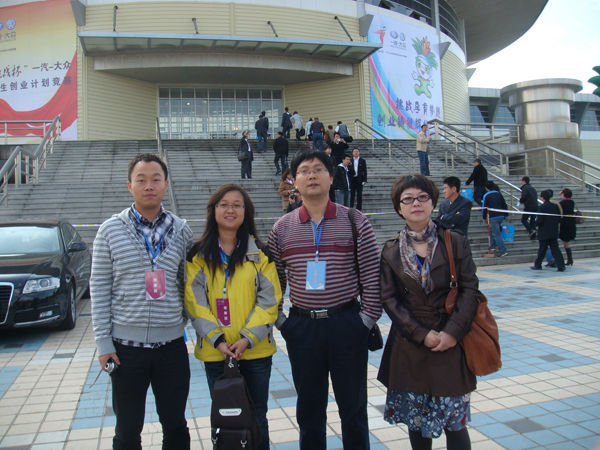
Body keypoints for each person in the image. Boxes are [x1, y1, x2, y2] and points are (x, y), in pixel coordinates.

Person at [268, 148, 382, 450]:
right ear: (294, 181)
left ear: (331, 177)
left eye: (319, 169)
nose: (312, 176)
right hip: (302, 328)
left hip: (347, 324)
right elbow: (274, 282)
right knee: (309, 412)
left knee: (353, 409)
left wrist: (364, 321)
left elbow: (372, 275)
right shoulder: (282, 228)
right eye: (304, 171)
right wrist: (282, 322)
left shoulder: (355, 220)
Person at [90, 153, 194, 450]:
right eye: (141, 180)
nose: (149, 186)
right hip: (126, 350)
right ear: (129, 185)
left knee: (175, 424)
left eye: (156, 179)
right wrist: (103, 344)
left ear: (166, 184)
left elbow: (190, 285)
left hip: (171, 347)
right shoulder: (110, 230)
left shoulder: (181, 230)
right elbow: (99, 287)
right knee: (127, 429)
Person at [379, 174, 479, 450]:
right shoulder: (391, 250)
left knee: (455, 425)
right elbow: (389, 298)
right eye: (408, 199)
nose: (416, 203)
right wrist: (421, 334)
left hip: (450, 343)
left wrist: (452, 333)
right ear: (399, 208)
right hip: (411, 345)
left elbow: (470, 289)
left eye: (423, 197)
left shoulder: (454, 241)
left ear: (433, 203)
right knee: (417, 425)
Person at [185, 184, 282, 450]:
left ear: (246, 212)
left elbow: (270, 300)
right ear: (213, 210)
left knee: (257, 416)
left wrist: (247, 339)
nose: (230, 210)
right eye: (224, 204)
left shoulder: (260, 253)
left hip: (256, 351)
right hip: (216, 352)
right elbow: (194, 302)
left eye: (237, 205)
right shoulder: (197, 255)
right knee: (225, 418)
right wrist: (218, 340)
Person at [531, 190, 565, 271]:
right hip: (553, 231)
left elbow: (540, 220)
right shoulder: (555, 206)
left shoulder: (541, 207)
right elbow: (559, 218)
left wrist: (535, 224)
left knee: (542, 250)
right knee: (555, 249)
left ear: (542, 198)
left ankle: (538, 265)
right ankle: (561, 265)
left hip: (544, 232)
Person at [482, 180, 509, 257]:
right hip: (501, 215)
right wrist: (506, 215)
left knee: (496, 234)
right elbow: (504, 205)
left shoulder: (486, 195)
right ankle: (492, 247)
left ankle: (503, 251)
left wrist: (484, 218)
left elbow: (484, 208)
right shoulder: (499, 194)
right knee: (492, 230)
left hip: (493, 217)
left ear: (486, 188)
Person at [559, 187, 577, 266]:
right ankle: (570, 259)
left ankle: (570, 259)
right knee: (567, 242)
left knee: (565, 242)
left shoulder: (562, 203)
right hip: (571, 223)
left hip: (564, 223)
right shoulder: (571, 202)